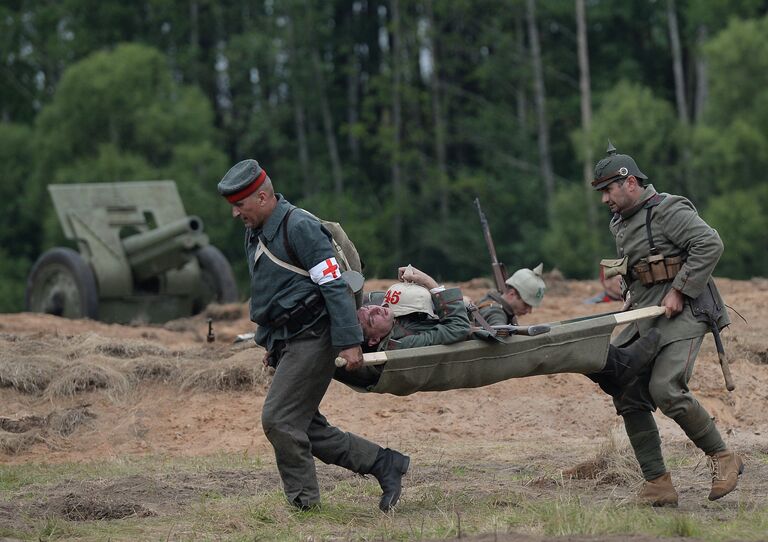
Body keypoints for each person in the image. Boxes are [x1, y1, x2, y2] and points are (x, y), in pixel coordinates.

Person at [217, 159, 409, 513]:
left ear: (262, 197)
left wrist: (349, 341)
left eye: (240, 205)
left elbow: (334, 285)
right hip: (289, 339)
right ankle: (385, 464)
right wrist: (269, 342)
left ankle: (304, 504)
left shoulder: (300, 227)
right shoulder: (256, 231)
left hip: (315, 336)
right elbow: (270, 294)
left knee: (278, 420)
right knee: (305, 426)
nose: (235, 214)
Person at [590, 143, 742, 506]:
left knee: (666, 388)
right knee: (626, 389)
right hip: (647, 314)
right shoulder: (621, 222)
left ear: (629, 183)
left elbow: (709, 243)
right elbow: (640, 261)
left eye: (608, 190)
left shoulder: (668, 209)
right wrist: (630, 289)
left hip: (686, 311)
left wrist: (679, 290)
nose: (604, 199)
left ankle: (724, 458)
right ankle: (658, 483)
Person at [474, 264, 545, 325]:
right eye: (526, 304)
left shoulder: (493, 301)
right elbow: (499, 333)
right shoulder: (496, 314)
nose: (529, 311)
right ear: (512, 294)